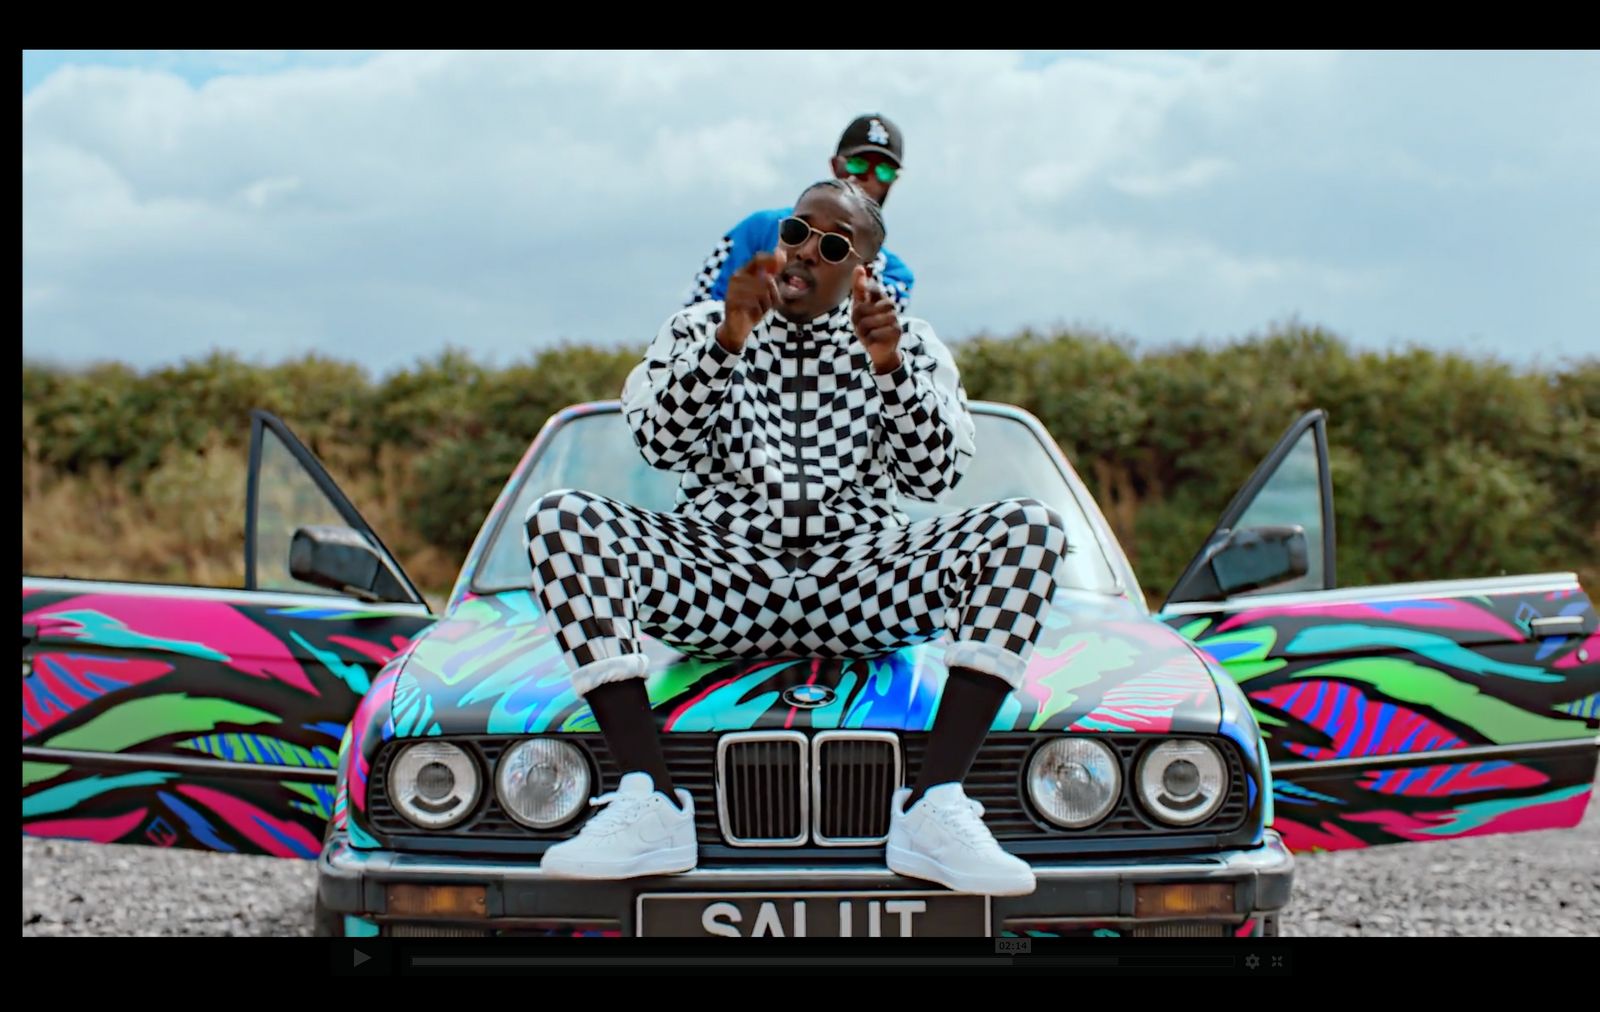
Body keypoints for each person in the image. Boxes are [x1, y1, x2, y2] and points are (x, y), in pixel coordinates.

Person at [526, 178, 1067, 896]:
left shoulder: (911, 341)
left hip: (861, 582)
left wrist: (891, 367)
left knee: (1030, 528)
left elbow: (934, 477)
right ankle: (648, 799)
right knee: (561, 517)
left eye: (833, 243)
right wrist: (727, 339)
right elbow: (657, 442)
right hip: (723, 577)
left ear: (862, 269)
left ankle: (936, 805)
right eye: (796, 231)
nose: (806, 250)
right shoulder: (697, 326)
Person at [685, 113, 915, 313]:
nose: (868, 178)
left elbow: (869, 337)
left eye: (884, 171)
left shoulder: (895, 274)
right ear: (835, 166)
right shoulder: (759, 229)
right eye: (858, 164)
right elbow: (698, 310)